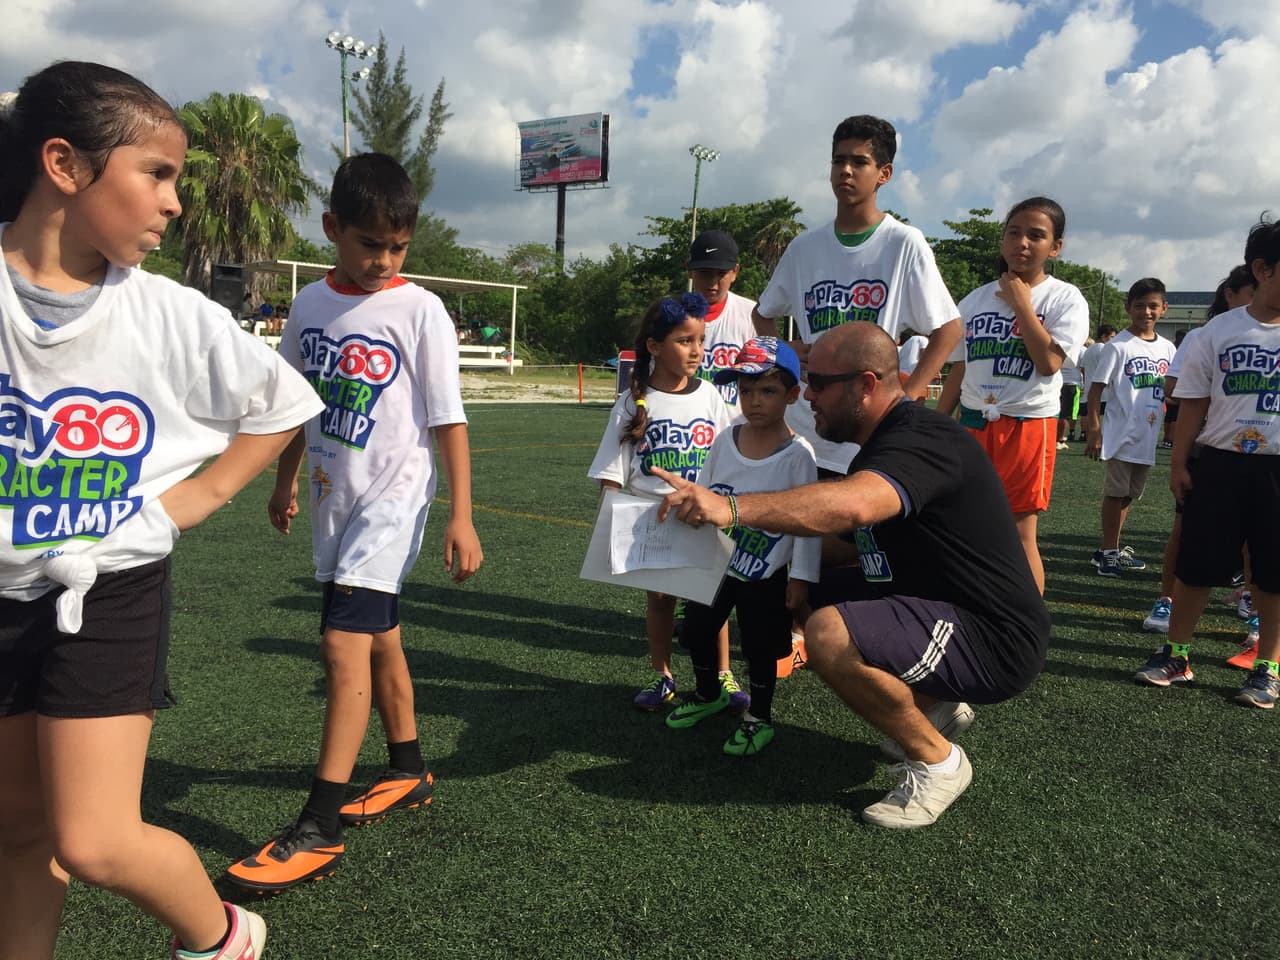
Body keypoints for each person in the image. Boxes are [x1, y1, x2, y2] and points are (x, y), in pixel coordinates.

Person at [0, 61, 324, 959]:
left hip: (105, 588)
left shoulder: (168, 315)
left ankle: (223, 938)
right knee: (18, 834)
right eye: (158, 172)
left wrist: (192, 501)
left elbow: (284, 403)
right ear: (63, 165)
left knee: (94, 841)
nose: (174, 202)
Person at [655, 323, 1050, 829]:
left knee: (827, 634)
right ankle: (937, 703)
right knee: (794, 590)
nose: (808, 396)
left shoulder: (919, 439)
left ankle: (939, 761)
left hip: (993, 637)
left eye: (818, 383)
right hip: (942, 606)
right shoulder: (884, 441)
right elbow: (851, 546)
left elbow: (855, 507)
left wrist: (729, 507)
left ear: (865, 384)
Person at [226, 153, 483, 893]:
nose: (384, 260)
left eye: (398, 247)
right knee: (379, 640)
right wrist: (283, 484)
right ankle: (407, 767)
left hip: (394, 498)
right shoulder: (308, 307)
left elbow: (448, 417)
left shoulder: (420, 309)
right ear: (334, 229)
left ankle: (319, 824)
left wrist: (461, 515)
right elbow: (292, 407)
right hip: (334, 493)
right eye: (371, 243)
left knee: (344, 643)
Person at [751, 114, 961, 476]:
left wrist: (906, 399)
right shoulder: (804, 247)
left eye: (859, 161)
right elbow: (762, 312)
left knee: (853, 531)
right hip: (805, 427)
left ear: (885, 173)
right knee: (797, 528)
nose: (845, 170)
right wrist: (782, 350)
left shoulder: (903, 243)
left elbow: (949, 329)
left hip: (868, 431)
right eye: (838, 160)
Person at [1132, 217, 1280, 708]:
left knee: (1274, 573)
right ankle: (1176, 654)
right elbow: (1191, 401)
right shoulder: (1218, 332)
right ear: (1261, 269)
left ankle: (1268, 667)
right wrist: (1179, 465)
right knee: (1195, 567)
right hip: (1220, 462)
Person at [663, 337, 819, 755]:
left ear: (792, 394)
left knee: (760, 647)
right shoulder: (725, 440)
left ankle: (759, 717)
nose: (754, 401)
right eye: (745, 390)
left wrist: (801, 578)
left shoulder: (798, 455)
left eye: (767, 390)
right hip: (716, 562)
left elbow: (807, 522)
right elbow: (707, 494)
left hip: (765, 574)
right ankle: (709, 692)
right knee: (696, 630)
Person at [934, 197, 1089, 595]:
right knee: (967, 522)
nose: (1022, 243)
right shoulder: (974, 300)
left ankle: (1026, 626)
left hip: (1026, 424)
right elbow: (961, 366)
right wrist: (938, 421)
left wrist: (1022, 305)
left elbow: (1049, 363)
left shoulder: (1064, 298)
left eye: (1036, 236)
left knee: (1019, 531)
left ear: (1055, 248)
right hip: (972, 422)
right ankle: (975, 608)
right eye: (1014, 232)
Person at [587, 293, 732, 708]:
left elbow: (727, 455)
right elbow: (612, 472)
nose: (697, 351)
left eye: (701, 340)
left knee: (711, 598)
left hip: (703, 516)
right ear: (654, 346)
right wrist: (606, 525)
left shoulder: (710, 397)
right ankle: (662, 675)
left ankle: (723, 674)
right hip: (651, 521)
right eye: (685, 340)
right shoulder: (633, 401)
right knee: (660, 600)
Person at [1141, 265, 1259, 635]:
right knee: (1185, 532)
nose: (1260, 298)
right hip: (1207, 450)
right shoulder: (1205, 336)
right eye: (1251, 290)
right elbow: (1175, 386)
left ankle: (1249, 596)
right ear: (1232, 294)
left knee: (1256, 537)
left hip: (1257, 455)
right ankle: (1167, 599)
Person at [685, 228, 758, 704]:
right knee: (693, 545)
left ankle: (741, 637)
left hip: (739, 443)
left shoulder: (750, 313)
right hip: (691, 445)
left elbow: (765, 369)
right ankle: (694, 629)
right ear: (692, 273)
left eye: (721, 272)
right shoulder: (678, 311)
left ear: (735, 272)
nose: (713, 281)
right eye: (704, 271)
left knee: (740, 546)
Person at [1085, 279, 1176, 578]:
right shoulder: (1118, 346)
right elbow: (1096, 390)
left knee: (1129, 495)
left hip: (1147, 435)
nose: (1146, 312)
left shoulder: (1167, 348)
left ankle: (1109, 548)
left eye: (1152, 306)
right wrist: (1094, 428)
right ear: (1128, 308)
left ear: (1164, 308)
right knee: (1115, 493)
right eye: (1139, 306)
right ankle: (1109, 552)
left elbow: (1172, 389)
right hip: (1121, 432)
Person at [1078, 323, 1118, 423]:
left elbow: (1083, 369)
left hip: (1089, 389)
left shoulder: (1088, 349)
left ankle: (1087, 436)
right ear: (1103, 336)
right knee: (1105, 418)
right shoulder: (1105, 349)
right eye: (1112, 337)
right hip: (1103, 391)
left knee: (1089, 415)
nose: (1114, 340)